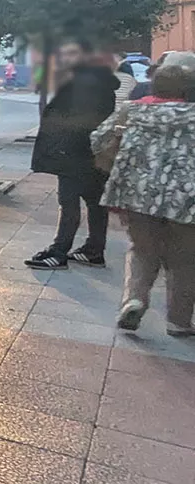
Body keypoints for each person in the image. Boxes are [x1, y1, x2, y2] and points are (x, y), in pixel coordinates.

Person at [90, 53, 195, 336]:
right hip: (187, 202)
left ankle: (134, 300)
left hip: (137, 194)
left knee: (142, 251)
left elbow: (98, 139)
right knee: (184, 260)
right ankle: (178, 321)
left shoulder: (132, 111)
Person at [25, 39, 120, 270]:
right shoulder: (100, 82)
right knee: (95, 202)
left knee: (69, 201)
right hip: (92, 154)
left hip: (74, 154)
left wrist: (60, 148)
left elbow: (75, 121)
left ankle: (59, 252)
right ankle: (94, 250)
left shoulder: (81, 83)